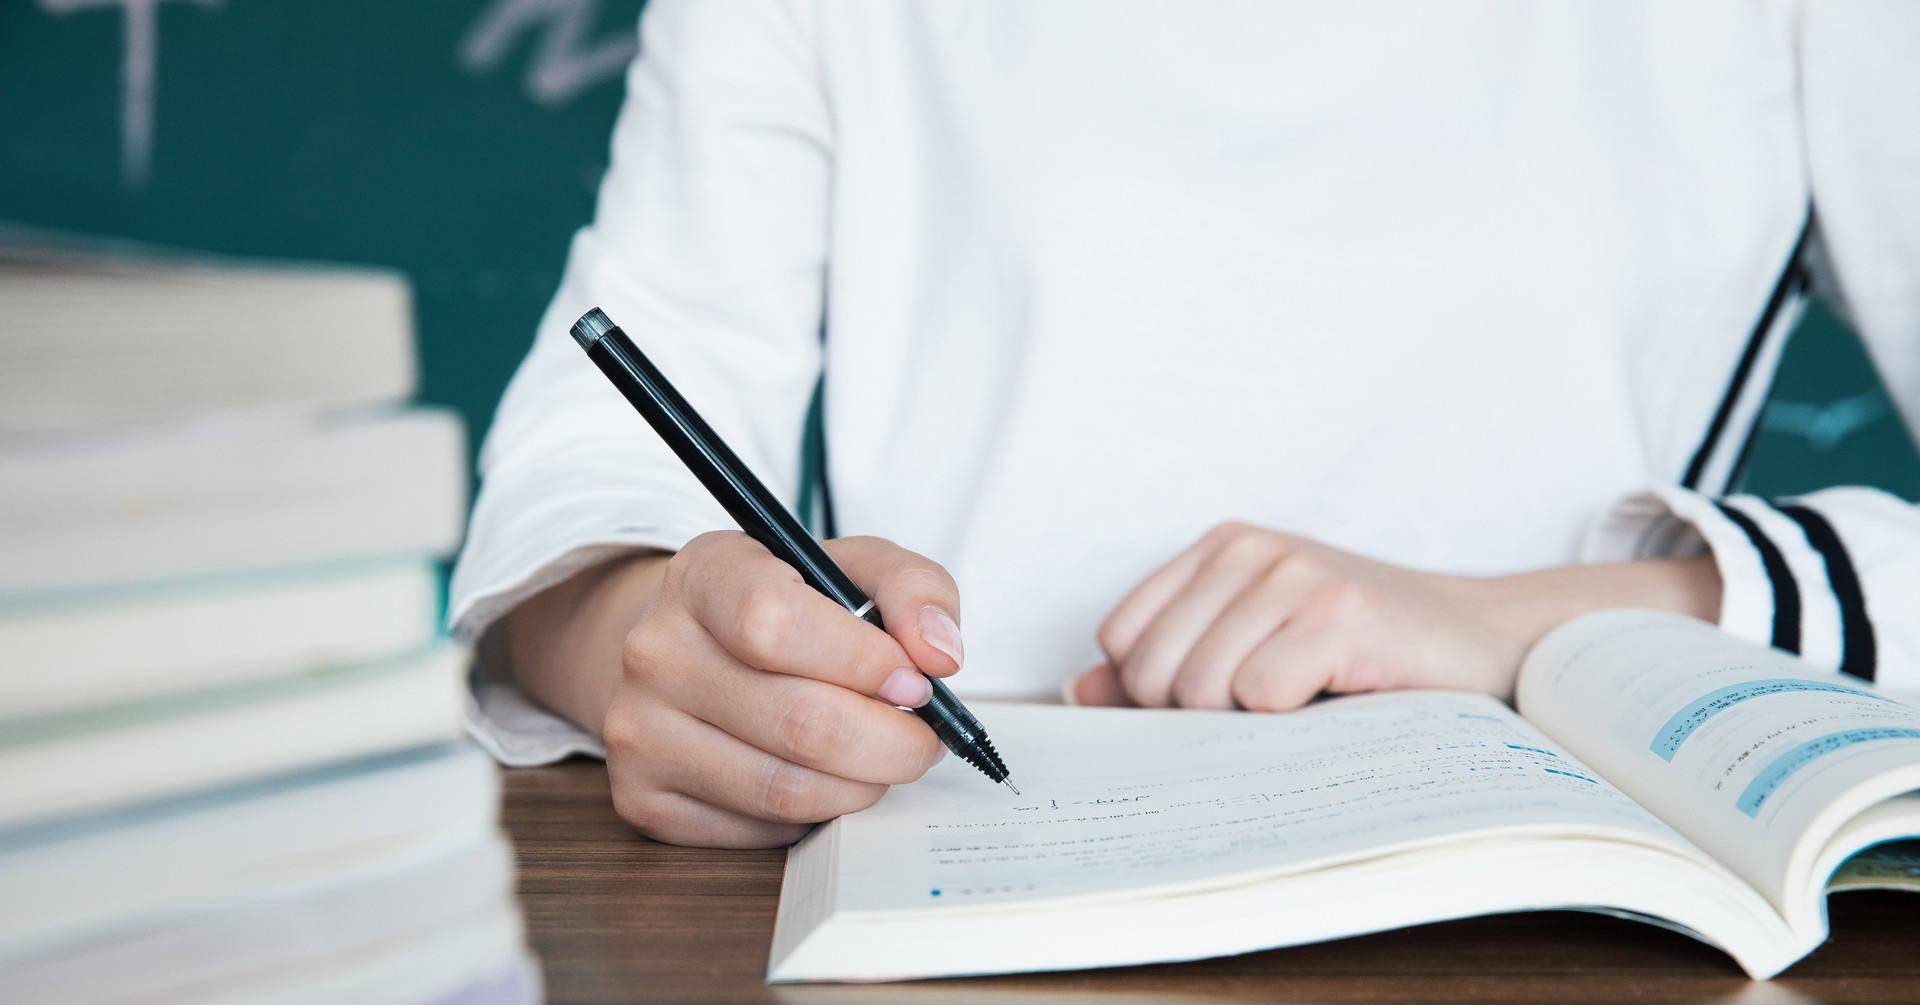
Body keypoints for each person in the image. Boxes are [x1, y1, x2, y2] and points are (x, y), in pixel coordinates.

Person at [451, 1, 1920, 848]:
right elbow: (584, 481)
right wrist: (644, 634)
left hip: (1593, 921)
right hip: (941, 884)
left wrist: (1542, 625)